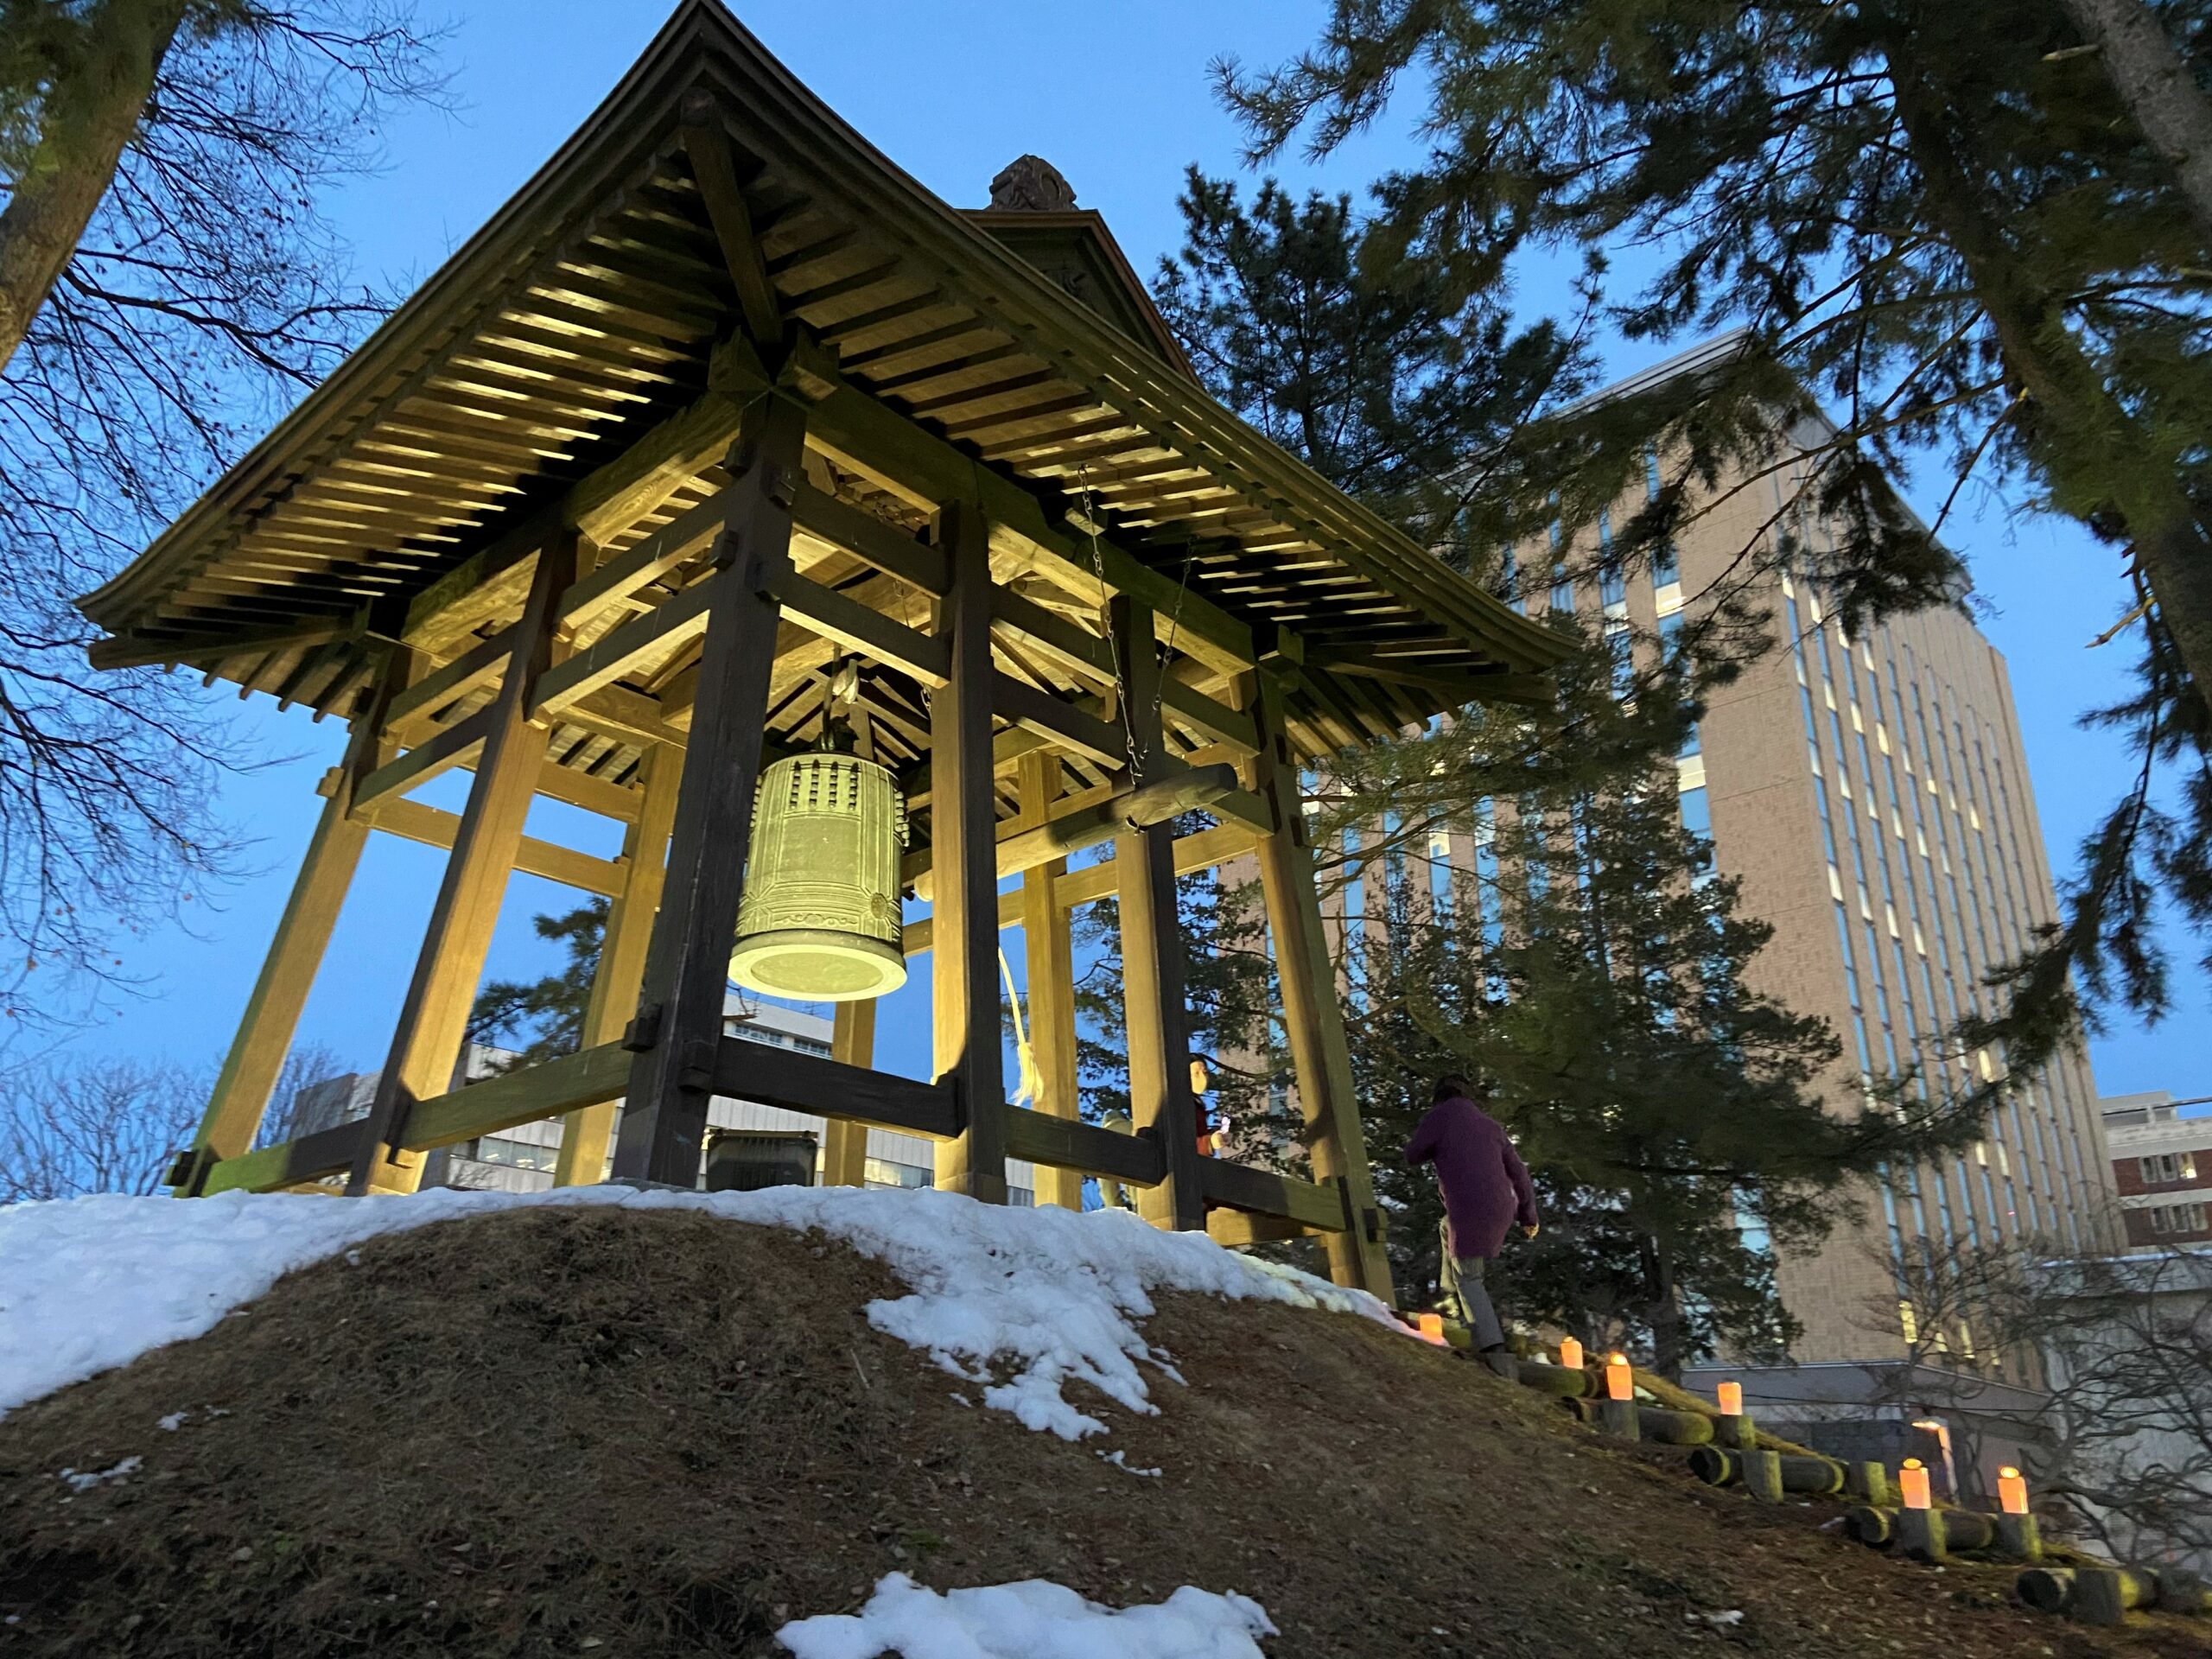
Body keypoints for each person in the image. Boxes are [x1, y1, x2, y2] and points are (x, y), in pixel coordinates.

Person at [1403, 1075, 1539, 1359]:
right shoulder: (1491, 1126)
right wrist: (1529, 1217)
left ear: (1439, 1097)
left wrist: (1432, 1142)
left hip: (1469, 1207)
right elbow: (1520, 1174)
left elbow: (1412, 1154)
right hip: (1503, 1206)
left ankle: (1492, 1349)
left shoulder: (1439, 1118)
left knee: (1470, 1277)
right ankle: (1450, 1296)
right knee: (1446, 1229)